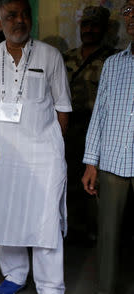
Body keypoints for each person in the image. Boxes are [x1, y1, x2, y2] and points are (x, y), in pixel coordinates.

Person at [0, 0, 72, 293]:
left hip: (42, 156)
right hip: (3, 155)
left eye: (25, 14)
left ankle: (50, 284)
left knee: (46, 219)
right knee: (8, 212)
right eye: (11, 15)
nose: (20, 20)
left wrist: (52, 147)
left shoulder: (50, 56)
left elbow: (63, 108)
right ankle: (15, 274)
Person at [81, 1, 134, 293]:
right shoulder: (114, 65)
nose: (132, 16)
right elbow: (99, 115)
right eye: (128, 9)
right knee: (108, 236)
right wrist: (91, 162)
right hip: (113, 162)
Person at [63, 6, 118, 245]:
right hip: (70, 127)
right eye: (85, 25)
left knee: (96, 183)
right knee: (69, 177)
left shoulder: (113, 59)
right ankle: (73, 227)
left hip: (99, 129)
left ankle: (96, 231)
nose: (89, 30)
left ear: (104, 28)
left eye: (94, 25)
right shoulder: (67, 58)